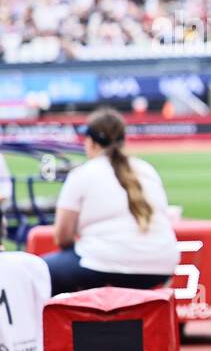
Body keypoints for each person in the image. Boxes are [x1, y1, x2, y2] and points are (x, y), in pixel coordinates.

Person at [43, 108, 179, 296]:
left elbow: (63, 237)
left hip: (105, 265)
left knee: (39, 272)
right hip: (162, 266)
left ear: (91, 142)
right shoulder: (147, 169)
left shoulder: (83, 173)